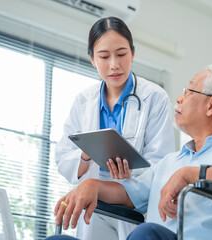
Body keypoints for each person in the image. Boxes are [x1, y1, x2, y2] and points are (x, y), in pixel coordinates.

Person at [48, 64, 212, 240]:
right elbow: (130, 194)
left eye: (189, 91)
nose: (179, 98)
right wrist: (92, 186)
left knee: (146, 233)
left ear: (211, 105)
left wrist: (192, 174)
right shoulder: (171, 162)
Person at [55, 16, 175, 240]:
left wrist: (131, 172)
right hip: (95, 204)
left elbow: (162, 163)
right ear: (92, 59)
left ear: (132, 53)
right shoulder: (83, 101)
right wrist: (85, 154)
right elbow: (63, 157)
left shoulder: (154, 97)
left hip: (134, 206)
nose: (114, 65)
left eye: (121, 54)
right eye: (104, 56)